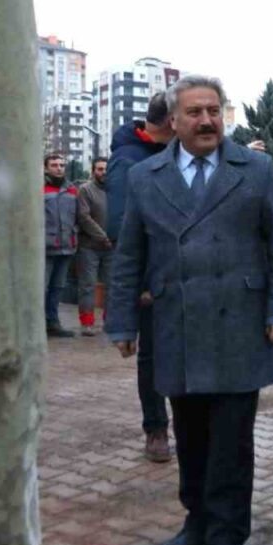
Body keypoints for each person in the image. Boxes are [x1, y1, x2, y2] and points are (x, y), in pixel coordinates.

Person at [107, 75, 273, 545]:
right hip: (178, 324)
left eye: (214, 110)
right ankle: (196, 523)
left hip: (240, 324)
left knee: (232, 444)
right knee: (190, 437)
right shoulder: (145, 176)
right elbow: (129, 254)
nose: (207, 120)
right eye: (194, 112)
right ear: (173, 121)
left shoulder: (254, 169)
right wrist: (122, 320)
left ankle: (227, 541)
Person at [107, 93, 176, 462]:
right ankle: (156, 429)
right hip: (153, 281)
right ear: (171, 122)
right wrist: (144, 282)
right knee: (152, 357)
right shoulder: (128, 160)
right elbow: (122, 230)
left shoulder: (176, 153)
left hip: (183, 275)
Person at [43, 153, 78, 338]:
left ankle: (53, 322)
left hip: (66, 246)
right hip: (46, 248)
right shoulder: (39, 188)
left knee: (58, 287)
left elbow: (79, 216)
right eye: (54, 165)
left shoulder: (71, 189)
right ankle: (38, 323)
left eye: (61, 165)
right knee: (43, 287)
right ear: (46, 168)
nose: (58, 168)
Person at [75, 158, 111, 336]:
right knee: (87, 285)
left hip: (112, 247)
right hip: (89, 246)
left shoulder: (117, 190)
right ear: (93, 171)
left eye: (106, 169)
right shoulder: (85, 190)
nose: (103, 172)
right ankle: (87, 323)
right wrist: (102, 236)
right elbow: (84, 217)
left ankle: (110, 321)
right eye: (100, 169)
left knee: (113, 285)